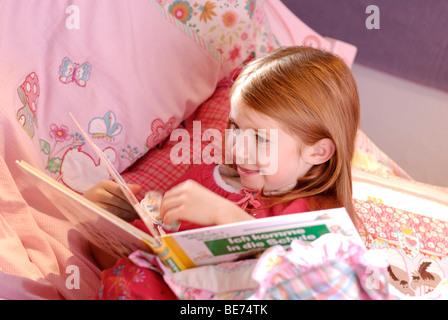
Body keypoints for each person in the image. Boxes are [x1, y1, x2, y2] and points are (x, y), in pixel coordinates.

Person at [84, 46, 360, 299]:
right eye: (235, 128)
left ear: (318, 152)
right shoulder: (205, 181)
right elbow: (121, 265)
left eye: (260, 139)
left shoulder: (316, 216)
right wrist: (101, 221)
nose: (238, 150)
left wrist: (226, 216)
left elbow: (311, 287)